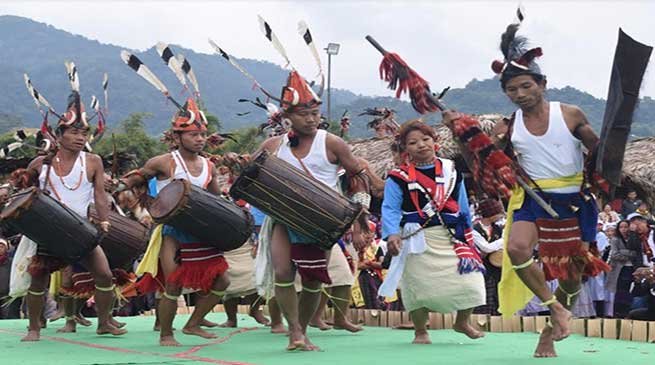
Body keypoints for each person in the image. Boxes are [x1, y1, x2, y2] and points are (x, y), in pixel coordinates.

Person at [444, 18, 609, 357]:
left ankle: (550, 330)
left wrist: (610, 155)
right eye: (512, 90)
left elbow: (601, 152)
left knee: (572, 276)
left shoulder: (571, 114)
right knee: (517, 250)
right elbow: (483, 164)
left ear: (541, 84)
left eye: (525, 87)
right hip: (532, 199)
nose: (519, 94)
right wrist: (461, 134)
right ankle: (556, 309)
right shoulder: (510, 126)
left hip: (574, 201)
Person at [256, 71, 366, 351]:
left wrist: (359, 221)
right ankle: (293, 330)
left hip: (322, 223)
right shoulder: (272, 146)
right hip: (283, 219)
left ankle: (303, 330)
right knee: (282, 273)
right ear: (287, 116)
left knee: (312, 278)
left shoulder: (332, 143)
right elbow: (253, 175)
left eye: (315, 113)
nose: (311, 119)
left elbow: (357, 176)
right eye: (304, 114)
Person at [117, 98, 230, 346]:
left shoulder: (209, 165)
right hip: (174, 233)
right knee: (173, 283)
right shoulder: (164, 162)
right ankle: (166, 334)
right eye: (193, 134)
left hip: (202, 233)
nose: (200, 139)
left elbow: (216, 199)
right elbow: (137, 178)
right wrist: (118, 185)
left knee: (222, 281)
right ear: (177, 137)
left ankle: (193, 324)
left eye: (202, 134)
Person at [18, 90, 125, 341]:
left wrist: (105, 219)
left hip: (81, 229)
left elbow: (100, 194)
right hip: (49, 231)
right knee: (38, 280)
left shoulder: (93, 161)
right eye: (74, 132)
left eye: (84, 133)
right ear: (59, 135)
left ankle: (104, 322)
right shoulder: (41, 163)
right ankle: (34, 328)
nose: (80, 137)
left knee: (105, 275)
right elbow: (22, 194)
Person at [380, 120, 486, 345]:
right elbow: (390, 208)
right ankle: (420, 331)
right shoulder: (398, 177)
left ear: (434, 141)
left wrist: (468, 231)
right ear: (405, 148)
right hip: (418, 237)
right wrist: (392, 234)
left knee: (471, 280)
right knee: (418, 287)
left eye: (425, 139)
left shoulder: (451, 170)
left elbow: (462, 203)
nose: (421, 145)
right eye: (413, 142)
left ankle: (462, 321)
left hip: (451, 235)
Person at [472, 198, 505, 316]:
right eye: (499, 212)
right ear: (491, 214)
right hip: (479, 269)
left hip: (497, 270)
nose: (501, 215)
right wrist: (503, 240)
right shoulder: (474, 230)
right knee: (482, 297)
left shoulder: (498, 228)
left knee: (497, 297)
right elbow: (486, 248)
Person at [605, 220, 642, 318]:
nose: (624, 229)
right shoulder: (615, 239)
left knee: (630, 289)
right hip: (620, 268)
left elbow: (637, 252)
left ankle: (627, 310)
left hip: (632, 267)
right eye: (621, 227)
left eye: (626, 227)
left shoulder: (633, 238)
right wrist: (630, 254)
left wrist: (624, 252)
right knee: (621, 290)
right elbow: (615, 255)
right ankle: (618, 311)